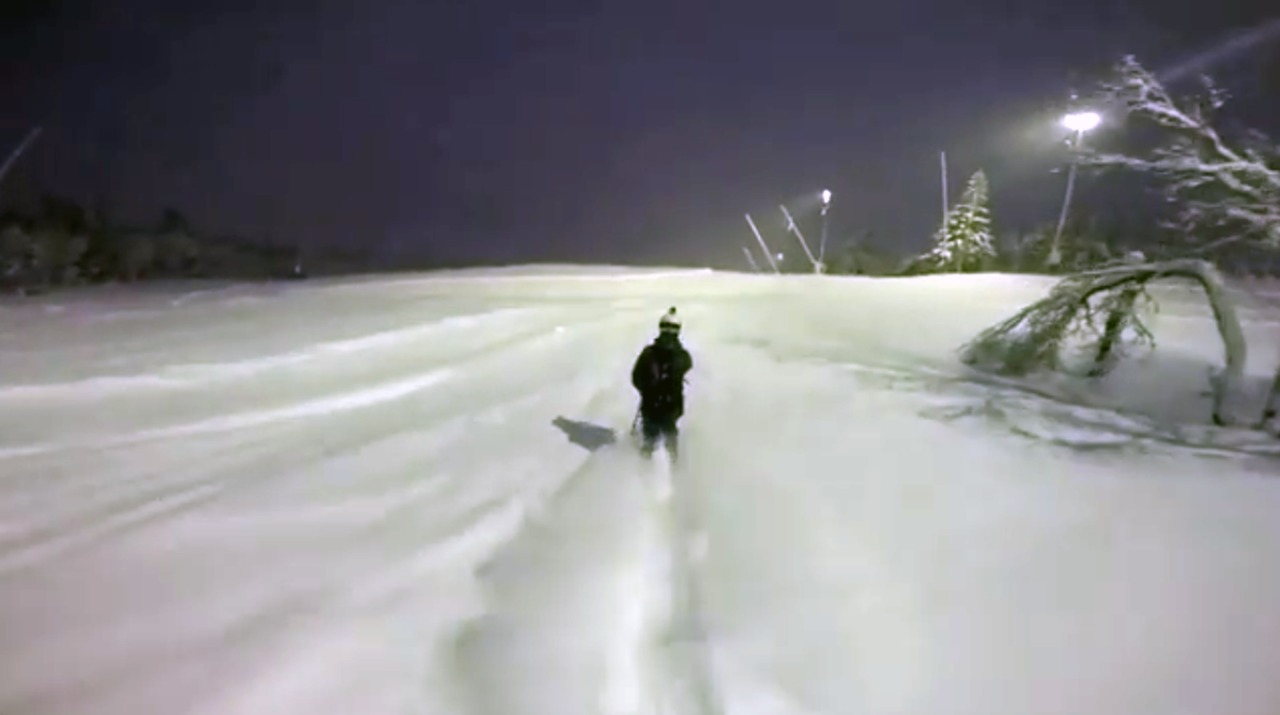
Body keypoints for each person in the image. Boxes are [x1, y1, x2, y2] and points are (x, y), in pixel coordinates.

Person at [631, 307, 693, 460]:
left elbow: (636, 377)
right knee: (669, 437)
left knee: (652, 438)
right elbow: (687, 365)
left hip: (654, 405)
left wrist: (646, 391)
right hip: (669, 406)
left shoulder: (650, 353)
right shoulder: (682, 355)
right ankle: (673, 464)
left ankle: (647, 464)